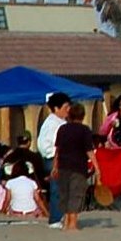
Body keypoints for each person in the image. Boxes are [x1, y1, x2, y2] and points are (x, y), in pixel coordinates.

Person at [53, 102, 95, 232]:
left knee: (64, 193)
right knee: (75, 194)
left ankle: (66, 222)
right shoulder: (85, 130)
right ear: (82, 116)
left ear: (70, 115)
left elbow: (57, 151)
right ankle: (72, 224)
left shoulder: (62, 129)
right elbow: (89, 151)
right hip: (78, 166)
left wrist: (55, 167)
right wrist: (97, 168)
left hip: (63, 165)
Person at [37, 92, 70, 227]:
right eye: (66, 107)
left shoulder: (61, 122)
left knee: (63, 189)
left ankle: (61, 216)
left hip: (61, 158)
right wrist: (55, 155)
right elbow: (43, 145)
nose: (68, 110)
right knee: (57, 188)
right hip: (53, 159)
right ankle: (56, 219)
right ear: (56, 108)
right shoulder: (52, 123)